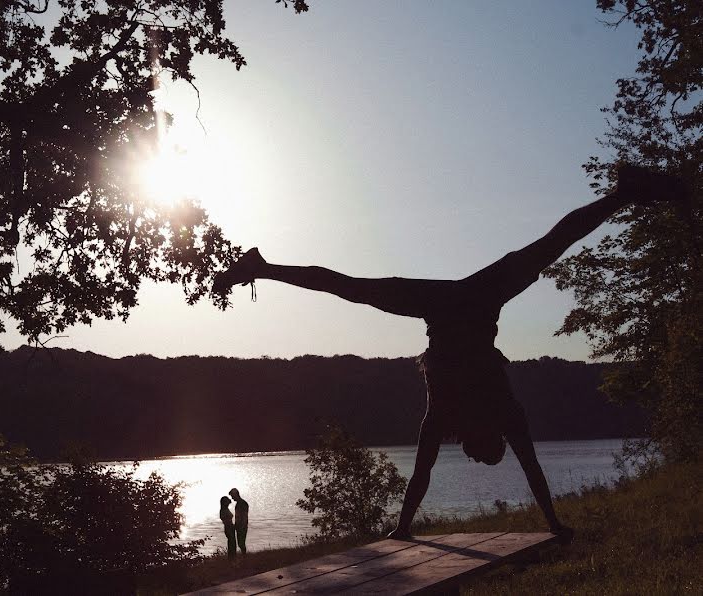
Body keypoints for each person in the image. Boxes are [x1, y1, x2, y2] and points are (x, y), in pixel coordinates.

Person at [214, 165, 684, 543]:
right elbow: (524, 470)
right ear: (483, 440)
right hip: (473, 299)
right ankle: (624, 194)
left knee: (354, 288)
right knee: (546, 247)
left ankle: (264, 266)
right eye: (481, 455)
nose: (475, 457)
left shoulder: (457, 416)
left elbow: (428, 474)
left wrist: (404, 527)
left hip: (459, 302)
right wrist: (553, 525)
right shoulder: (485, 414)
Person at [229, 488, 249, 554]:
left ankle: (244, 556)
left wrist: (242, 526)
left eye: (232, 496)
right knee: (240, 543)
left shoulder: (243, 503)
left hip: (242, 526)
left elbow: (244, 516)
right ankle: (244, 556)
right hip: (239, 526)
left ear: (235, 495)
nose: (232, 498)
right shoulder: (239, 503)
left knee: (241, 543)